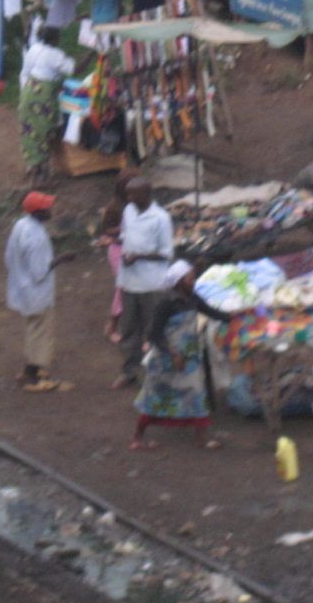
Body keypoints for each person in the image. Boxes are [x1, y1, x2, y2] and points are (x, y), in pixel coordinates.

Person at [131, 268, 233, 451]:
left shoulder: (192, 299)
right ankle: (138, 436)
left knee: (195, 392)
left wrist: (235, 317)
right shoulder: (166, 303)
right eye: (190, 279)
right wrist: (173, 353)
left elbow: (212, 312)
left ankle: (201, 437)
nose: (193, 282)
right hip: (166, 358)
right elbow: (154, 334)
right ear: (179, 282)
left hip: (189, 357)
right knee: (155, 396)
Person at [5, 191, 69, 391]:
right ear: (37, 212)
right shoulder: (37, 238)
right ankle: (34, 377)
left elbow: (8, 258)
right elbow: (39, 272)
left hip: (22, 289)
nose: (50, 210)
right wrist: (61, 259)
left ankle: (29, 370)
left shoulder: (20, 225)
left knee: (33, 330)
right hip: (37, 293)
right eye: (46, 208)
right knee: (41, 334)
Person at [114, 176, 174, 385]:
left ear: (146, 194)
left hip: (152, 283)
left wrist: (139, 256)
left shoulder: (161, 218)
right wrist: (116, 242)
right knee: (129, 328)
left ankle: (158, 373)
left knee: (154, 329)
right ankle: (129, 371)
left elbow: (166, 253)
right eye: (128, 193)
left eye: (134, 193)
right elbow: (125, 236)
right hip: (129, 281)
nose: (129, 197)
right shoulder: (128, 211)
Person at [19, 25, 75, 182]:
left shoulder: (34, 49)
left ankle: (32, 166)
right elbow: (74, 69)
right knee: (45, 131)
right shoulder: (55, 55)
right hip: (43, 97)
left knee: (30, 130)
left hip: (28, 92)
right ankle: (41, 176)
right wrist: (92, 55)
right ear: (55, 39)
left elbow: (26, 71)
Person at [97, 176, 132, 344]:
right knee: (123, 288)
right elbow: (106, 230)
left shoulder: (135, 204)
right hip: (118, 251)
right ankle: (112, 325)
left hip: (132, 249)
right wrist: (125, 230)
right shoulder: (114, 207)